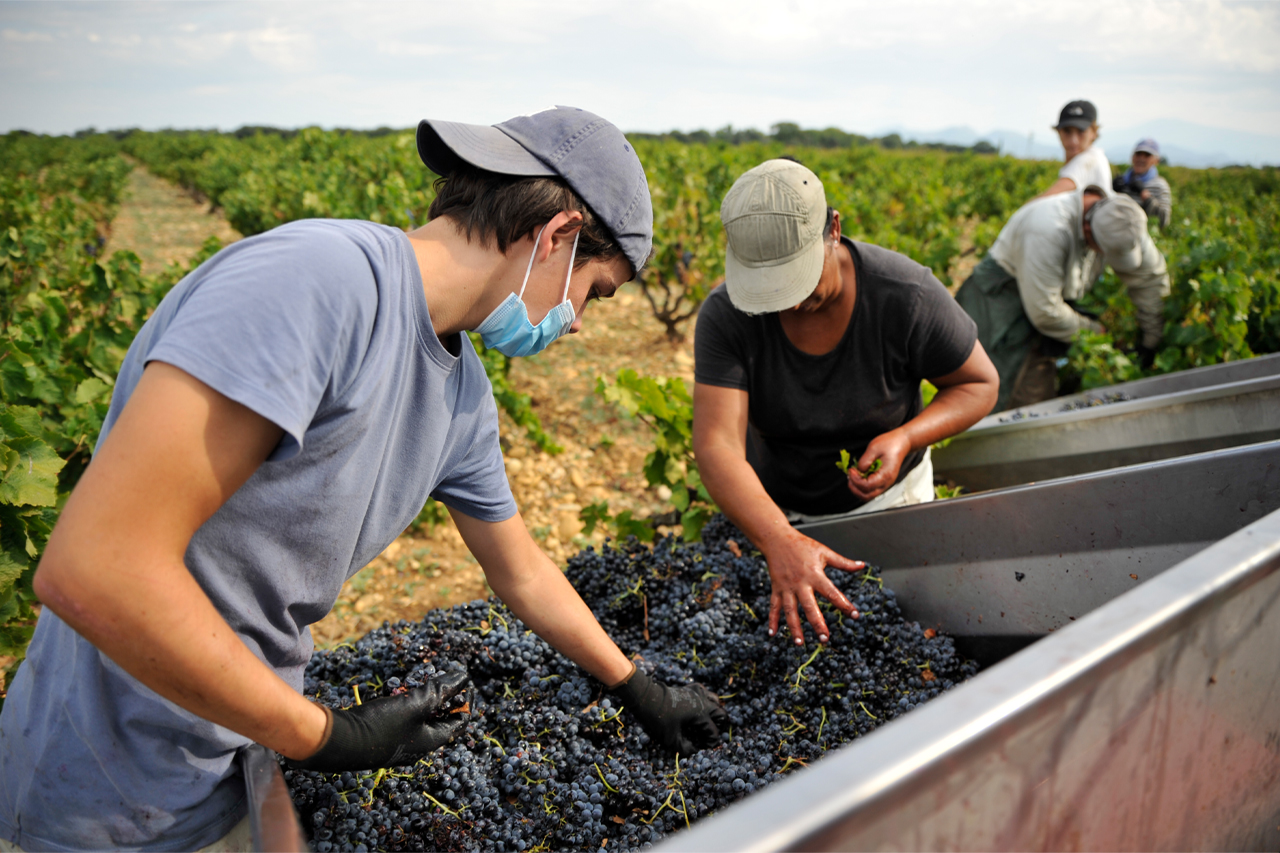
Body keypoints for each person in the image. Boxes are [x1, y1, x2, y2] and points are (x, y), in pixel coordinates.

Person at [0, 107, 727, 852]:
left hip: (233, 759)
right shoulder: (317, 284)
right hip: (97, 789)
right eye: (595, 293)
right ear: (558, 236)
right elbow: (95, 568)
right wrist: (329, 736)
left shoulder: (462, 393)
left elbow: (523, 570)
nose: (578, 325)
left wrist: (635, 685)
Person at [692, 159, 999, 647]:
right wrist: (777, 539)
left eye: (801, 279)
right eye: (772, 290)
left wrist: (906, 435)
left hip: (895, 506)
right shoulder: (728, 316)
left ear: (833, 229)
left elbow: (979, 384)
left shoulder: (905, 294)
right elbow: (717, 445)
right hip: (778, 514)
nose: (791, 304)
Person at [955, 187, 1170, 411]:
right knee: (995, 394)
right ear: (1087, 229)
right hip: (1000, 301)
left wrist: (1150, 342)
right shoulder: (1048, 228)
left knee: (1037, 396)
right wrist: (1097, 333)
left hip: (1048, 299)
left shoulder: (1124, 219)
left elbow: (1150, 279)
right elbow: (1045, 311)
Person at [1038, 100, 1113, 199]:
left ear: (1094, 132)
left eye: (1081, 131)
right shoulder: (1096, 157)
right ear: (1058, 132)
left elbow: (1045, 199)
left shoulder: (1089, 160)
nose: (1074, 141)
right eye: (1067, 131)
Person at [1113, 138, 1173, 229]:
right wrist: (1110, 192)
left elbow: (1164, 221)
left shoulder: (1160, 186)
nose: (1141, 158)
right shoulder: (1123, 181)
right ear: (1132, 157)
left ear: (1156, 161)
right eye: (1138, 154)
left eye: (1147, 155)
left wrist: (1145, 196)